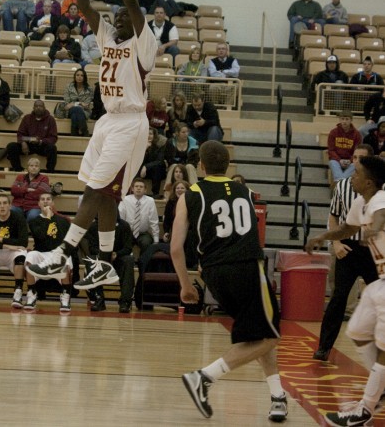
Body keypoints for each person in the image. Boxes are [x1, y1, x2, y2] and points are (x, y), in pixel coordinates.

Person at [26, 0, 157, 291]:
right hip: (107, 121)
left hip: (130, 122)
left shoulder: (144, 43)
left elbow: (131, 2)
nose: (119, 20)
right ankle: (105, 262)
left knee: (94, 190)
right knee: (108, 195)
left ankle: (62, 253)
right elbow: (84, 6)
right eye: (116, 18)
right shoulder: (108, 38)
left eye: (124, 17)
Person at [171, 141, 287, 422]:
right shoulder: (246, 192)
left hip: (214, 274)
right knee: (270, 337)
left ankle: (278, 397)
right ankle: (205, 376)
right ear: (228, 164)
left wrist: (186, 285)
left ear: (201, 166)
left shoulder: (190, 194)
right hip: (248, 268)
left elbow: (175, 247)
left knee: (257, 334)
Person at [305, 156, 385, 426]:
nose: (352, 176)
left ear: (370, 182)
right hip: (380, 282)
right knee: (359, 331)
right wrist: (322, 236)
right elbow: (346, 228)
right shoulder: (360, 202)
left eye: (357, 173)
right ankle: (381, 384)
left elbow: (379, 217)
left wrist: (373, 230)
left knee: (384, 349)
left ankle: (365, 409)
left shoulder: (379, 200)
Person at [313, 145, 378, 362]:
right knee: (339, 298)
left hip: (374, 254)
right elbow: (340, 221)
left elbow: (380, 212)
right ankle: (324, 347)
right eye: (354, 158)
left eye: (361, 160)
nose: (356, 163)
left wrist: (375, 228)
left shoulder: (379, 192)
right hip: (349, 250)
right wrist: (331, 240)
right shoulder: (345, 188)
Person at [134, 180, 192, 310]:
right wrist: (166, 233)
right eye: (178, 188)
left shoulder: (192, 204)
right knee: (155, 248)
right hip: (175, 237)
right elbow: (167, 223)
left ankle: (143, 263)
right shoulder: (171, 203)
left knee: (155, 247)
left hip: (189, 239)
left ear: (187, 190)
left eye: (183, 188)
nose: (180, 190)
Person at [24, 192, 73, 312]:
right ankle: (31, 293)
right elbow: (41, 237)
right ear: (39, 204)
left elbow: (65, 240)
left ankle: (65, 295)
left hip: (57, 253)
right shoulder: (34, 221)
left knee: (65, 257)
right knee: (30, 256)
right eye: (42, 199)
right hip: (42, 253)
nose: (45, 201)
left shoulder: (63, 221)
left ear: (53, 203)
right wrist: (48, 217)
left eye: (48, 199)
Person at [83, 213, 134, 313]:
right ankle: (99, 300)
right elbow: (92, 248)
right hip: (101, 258)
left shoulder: (124, 225)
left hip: (118, 258)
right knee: (91, 260)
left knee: (129, 260)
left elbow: (128, 248)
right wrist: (104, 254)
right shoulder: (93, 227)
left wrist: (116, 254)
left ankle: (125, 302)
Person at [6, 100, 58, 173]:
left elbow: (53, 138)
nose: (38, 108)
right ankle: (18, 169)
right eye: (36, 106)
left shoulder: (50, 119)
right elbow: (20, 134)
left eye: (40, 106)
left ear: (44, 108)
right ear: (33, 108)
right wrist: (23, 143)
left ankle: (50, 171)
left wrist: (41, 141)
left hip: (42, 146)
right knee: (11, 146)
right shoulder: (27, 118)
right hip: (28, 145)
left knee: (52, 148)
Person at [119, 178, 159, 258]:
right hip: (128, 233)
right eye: (136, 186)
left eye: (141, 187)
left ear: (145, 190)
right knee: (122, 244)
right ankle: (128, 262)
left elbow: (153, 220)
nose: (138, 188)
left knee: (146, 242)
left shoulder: (150, 201)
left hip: (142, 233)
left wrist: (156, 239)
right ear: (132, 189)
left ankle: (142, 263)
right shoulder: (125, 199)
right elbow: (121, 218)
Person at [10, 157, 51, 222]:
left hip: (34, 206)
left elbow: (40, 194)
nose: (34, 167)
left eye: (36, 166)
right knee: (12, 211)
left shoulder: (44, 178)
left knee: (33, 216)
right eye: (31, 166)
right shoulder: (20, 177)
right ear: (28, 168)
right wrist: (27, 190)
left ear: (39, 168)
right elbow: (13, 191)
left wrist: (21, 192)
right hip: (18, 205)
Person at [327, 110, 362, 182]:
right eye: (342, 119)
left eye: (347, 119)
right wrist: (339, 160)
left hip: (350, 162)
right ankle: (342, 182)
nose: (344, 121)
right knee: (332, 163)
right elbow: (331, 150)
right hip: (336, 160)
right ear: (339, 120)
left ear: (351, 120)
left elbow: (357, 151)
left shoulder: (357, 134)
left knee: (356, 165)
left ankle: (339, 182)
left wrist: (350, 160)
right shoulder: (333, 132)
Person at [164, 122, 199, 191]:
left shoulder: (193, 142)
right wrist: (179, 165)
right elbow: (168, 158)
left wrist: (184, 166)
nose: (186, 134)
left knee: (190, 166)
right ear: (177, 133)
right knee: (174, 166)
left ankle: (195, 192)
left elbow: (195, 159)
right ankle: (167, 191)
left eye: (187, 132)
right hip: (174, 165)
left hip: (188, 165)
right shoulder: (170, 142)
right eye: (183, 132)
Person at [138, 128, 167, 198]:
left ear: (154, 135)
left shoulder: (159, 145)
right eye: (147, 134)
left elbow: (159, 161)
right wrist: (145, 149)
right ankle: (134, 191)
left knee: (157, 168)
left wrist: (146, 167)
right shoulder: (139, 145)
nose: (148, 136)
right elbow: (138, 160)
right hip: (143, 171)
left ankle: (155, 193)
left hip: (156, 171)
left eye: (150, 134)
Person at [63, 68, 93, 136]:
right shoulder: (68, 87)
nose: (79, 77)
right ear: (74, 76)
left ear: (84, 77)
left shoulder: (89, 89)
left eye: (82, 75)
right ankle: (84, 130)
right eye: (77, 75)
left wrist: (73, 104)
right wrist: (80, 103)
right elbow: (67, 104)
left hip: (84, 112)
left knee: (75, 115)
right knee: (77, 109)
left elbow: (86, 105)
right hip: (69, 111)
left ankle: (74, 134)